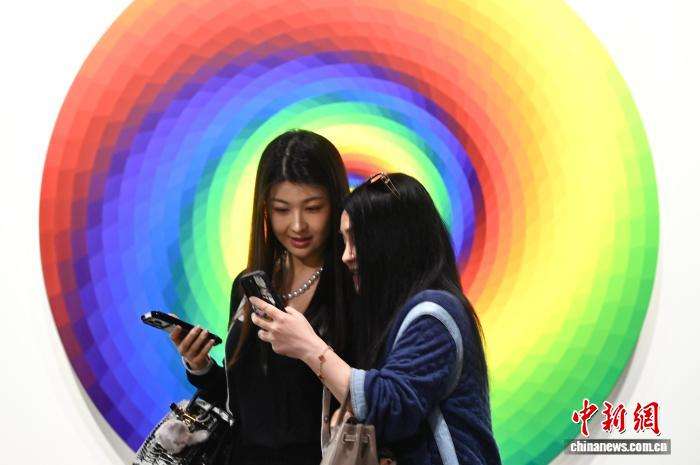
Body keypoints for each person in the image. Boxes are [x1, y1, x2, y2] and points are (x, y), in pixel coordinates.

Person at [250, 173, 502, 465]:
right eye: (344, 241)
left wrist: (309, 347)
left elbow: (390, 408)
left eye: (356, 240)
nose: (346, 256)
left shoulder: (433, 312)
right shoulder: (397, 315)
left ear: (392, 241)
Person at [169, 129, 354, 465]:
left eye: (313, 208)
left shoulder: (354, 286)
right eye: (281, 209)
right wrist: (201, 366)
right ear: (265, 208)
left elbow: (373, 400)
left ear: (338, 204)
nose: (297, 225)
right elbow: (243, 407)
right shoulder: (248, 285)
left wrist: (311, 349)